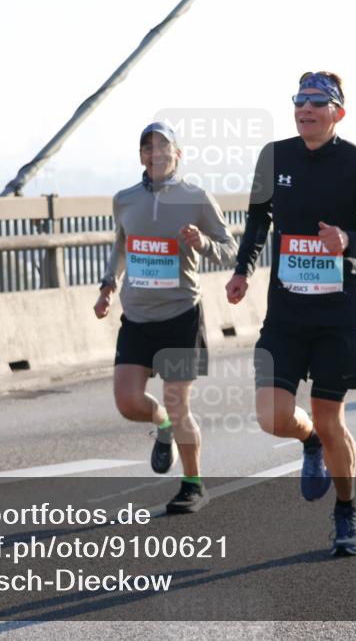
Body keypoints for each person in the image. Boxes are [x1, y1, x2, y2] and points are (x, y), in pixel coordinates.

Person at [226, 72, 356, 555]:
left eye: (317, 102)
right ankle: (308, 444)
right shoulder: (274, 157)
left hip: (338, 316)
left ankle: (346, 511)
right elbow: (259, 219)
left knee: (330, 419)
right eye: (299, 101)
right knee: (272, 416)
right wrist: (243, 270)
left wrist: (349, 241)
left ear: (337, 112)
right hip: (285, 313)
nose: (305, 109)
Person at [96, 121, 238, 513]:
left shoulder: (196, 197)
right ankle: (161, 426)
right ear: (140, 156)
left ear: (178, 154)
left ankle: (193, 485)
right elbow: (121, 246)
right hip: (137, 317)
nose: (155, 154)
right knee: (127, 402)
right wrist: (109, 285)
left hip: (180, 316)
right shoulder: (124, 199)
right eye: (147, 148)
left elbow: (230, 250)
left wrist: (202, 242)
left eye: (163, 148)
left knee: (180, 407)